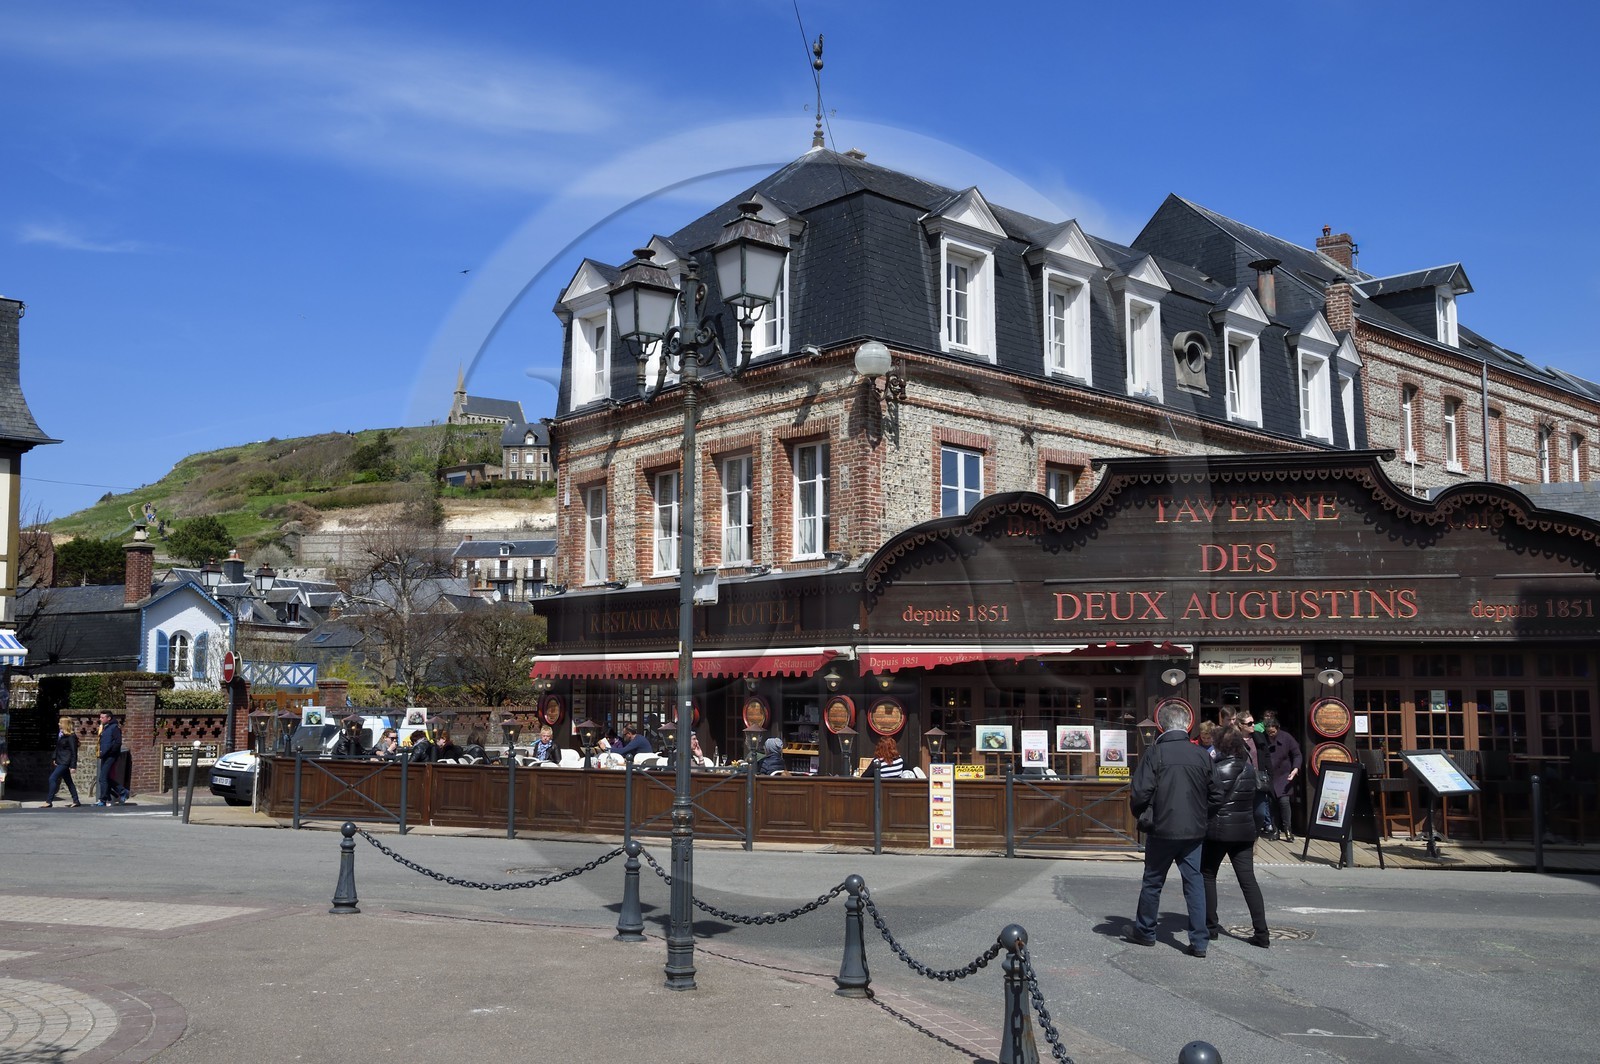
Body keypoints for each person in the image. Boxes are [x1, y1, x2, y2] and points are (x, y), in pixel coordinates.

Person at [1127, 702, 1222, 957]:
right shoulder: (1201, 754)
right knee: (1194, 883)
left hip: (1161, 828)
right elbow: (1217, 794)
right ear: (1185, 725)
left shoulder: (1155, 753)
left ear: (1162, 726)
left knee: (1153, 881)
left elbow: (1139, 792)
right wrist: (1202, 816)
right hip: (1193, 831)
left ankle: (1146, 932)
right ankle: (1199, 942)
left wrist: (1143, 813)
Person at [1200, 727, 1271, 949]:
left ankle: (1211, 927)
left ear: (1220, 746)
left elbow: (1208, 800)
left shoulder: (1215, 769)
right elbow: (1258, 807)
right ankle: (1262, 932)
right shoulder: (1250, 770)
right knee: (1248, 881)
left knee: (1208, 875)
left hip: (1219, 830)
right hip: (1244, 831)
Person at [1263, 719, 1304, 842]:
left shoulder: (1286, 737)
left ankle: (1287, 829)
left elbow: (1297, 754)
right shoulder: (1263, 738)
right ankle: (1276, 830)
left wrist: (1295, 768)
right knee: (1272, 803)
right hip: (1269, 774)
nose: (1271, 734)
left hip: (1284, 774)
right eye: (1268, 732)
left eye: (1273, 732)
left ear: (1278, 728)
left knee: (1284, 802)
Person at [45, 717, 82, 808]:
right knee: (69, 781)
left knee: (52, 778)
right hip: (60, 760)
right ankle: (76, 800)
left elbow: (74, 752)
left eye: (60, 723)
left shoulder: (71, 737)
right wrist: (55, 758)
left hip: (65, 762)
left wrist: (73, 766)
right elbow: (58, 748)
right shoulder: (62, 735)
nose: (59, 724)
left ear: (65, 724)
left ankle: (49, 801)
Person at [95, 710, 128, 806]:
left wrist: (110, 752)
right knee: (105, 778)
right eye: (100, 717)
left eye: (102, 717)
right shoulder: (105, 727)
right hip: (105, 755)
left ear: (108, 718)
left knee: (102, 778)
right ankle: (121, 792)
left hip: (110, 756)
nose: (100, 719)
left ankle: (103, 799)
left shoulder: (114, 728)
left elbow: (118, 742)